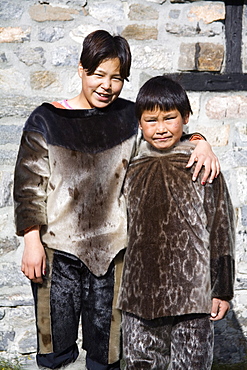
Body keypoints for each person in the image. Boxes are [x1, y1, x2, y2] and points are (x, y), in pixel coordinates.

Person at [14, 31, 220, 370]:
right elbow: (28, 186)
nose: (106, 85)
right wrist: (31, 242)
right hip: (57, 252)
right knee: (55, 352)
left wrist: (200, 141)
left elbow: (164, 136)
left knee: (107, 353)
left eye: (117, 78)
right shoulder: (45, 119)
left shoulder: (129, 118)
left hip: (114, 254)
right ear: (81, 69)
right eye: (98, 74)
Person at [117, 76, 235, 369]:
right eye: (151, 120)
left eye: (170, 118)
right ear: (140, 123)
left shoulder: (201, 164)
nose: (160, 128)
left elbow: (221, 227)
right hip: (138, 295)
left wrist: (221, 289)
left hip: (192, 295)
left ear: (185, 117)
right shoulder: (127, 165)